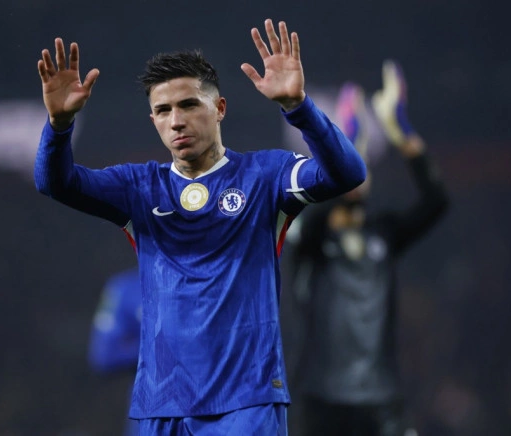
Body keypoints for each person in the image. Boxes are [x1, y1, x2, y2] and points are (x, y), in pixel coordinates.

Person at [34, 18, 366, 435]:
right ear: (153, 120)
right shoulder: (138, 188)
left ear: (219, 108)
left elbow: (347, 173)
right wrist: (59, 127)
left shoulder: (265, 176)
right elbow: (55, 182)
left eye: (189, 105)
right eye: (163, 110)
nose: (176, 120)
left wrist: (298, 107)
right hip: (161, 405)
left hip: (246, 401)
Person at [282, 60, 450, 436]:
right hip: (321, 402)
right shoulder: (311, 235)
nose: (360, 175)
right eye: (351, 162)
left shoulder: (384, 233)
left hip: (381, 402)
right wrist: (341, 159)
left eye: (363, 164)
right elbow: (316, 212)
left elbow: (437, 201)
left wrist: (402, 132)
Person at [87, 267, 142, 436]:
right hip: (150, 416)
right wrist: (160, 348)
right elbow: (103, 355)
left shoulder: (211, 279)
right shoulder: (127, 287)